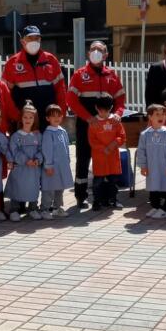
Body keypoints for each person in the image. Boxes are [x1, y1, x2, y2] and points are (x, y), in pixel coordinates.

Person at [66, 41, 126, 209]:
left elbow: (120, 99)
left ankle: (109, 196)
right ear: (88, 53)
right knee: (83, 159)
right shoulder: (79, 75)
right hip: (86, 125)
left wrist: (117, 114)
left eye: (100, 50)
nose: (96, 52)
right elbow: (70, 100)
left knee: (108, 159)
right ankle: (81, 196)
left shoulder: (112, 76)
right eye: (93, 49)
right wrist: (88, 118)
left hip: (108, 128)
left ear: (106, 55)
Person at [3, 26, 68, 130]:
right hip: (25, 122)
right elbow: (5, 93)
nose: (34, 41)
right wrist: (16, 116)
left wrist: (61, 113)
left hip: (48, 120)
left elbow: (61, 89)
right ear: (22, 41)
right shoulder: (13, 63)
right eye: (30, 38)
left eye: (37, 38)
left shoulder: (50, 60)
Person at [137, 104, 166, 219]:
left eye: (163, 114)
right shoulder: (145, 134)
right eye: (157, 114)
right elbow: (141, 151)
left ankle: (163, 209)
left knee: (164, 189)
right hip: (152, 167)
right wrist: (143, 166)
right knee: (153, 188)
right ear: (150, 117)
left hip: (165, 168)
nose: (161, 116)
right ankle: (155, 207)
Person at [6, 103, 44, 221]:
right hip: (20, 168)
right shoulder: (16, 136)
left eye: (31, 117)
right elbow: (14, 151)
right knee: (17, 187)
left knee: (33, 188)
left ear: (35, 119)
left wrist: (38, 159)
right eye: (25, 117)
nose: (28, 120)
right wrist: (26, 160)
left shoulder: (38, 135)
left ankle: (33, 208)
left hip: (33, 169)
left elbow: (41, 149)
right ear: (21, 118)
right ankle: (14, 209)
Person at [86, 95, 125, 211]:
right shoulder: (93, 122)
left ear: (111, 108)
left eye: (106, 110)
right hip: (100, 157)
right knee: (98, 181)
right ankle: (97, 201)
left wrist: (113, 144)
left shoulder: (115, 120)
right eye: (100, 110)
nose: (103, 113)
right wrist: (103, 148)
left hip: (112, 157)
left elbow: (122, 136)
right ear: (96, 108)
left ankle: (113, 199)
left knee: (113, 180)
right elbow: (92, 140)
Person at [40, 105, 72, 218]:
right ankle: (44, 209)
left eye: (59, 115)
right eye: (53, 116)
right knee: (49, 188)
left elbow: (67, 147)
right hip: (52, 167)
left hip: (62, 166)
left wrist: (68, 160)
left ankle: (57, 208)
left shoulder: (62, 131)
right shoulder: (48, 134)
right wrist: (48, 165)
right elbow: (47, 150)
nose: (56, 118)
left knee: (60, 188)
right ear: (48, 118)